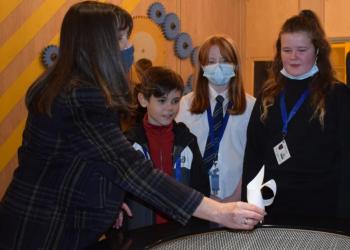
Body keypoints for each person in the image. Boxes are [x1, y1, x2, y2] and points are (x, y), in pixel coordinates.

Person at [0, 2, 264, 249]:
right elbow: (131, 169)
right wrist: (218, 211)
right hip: (45, 232)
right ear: (98, 46)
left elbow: (87, 162)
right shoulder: (82, 98)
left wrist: (109, 199)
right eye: (121, 39)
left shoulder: (67, 87)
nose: (129, 47)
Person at [241, 10, 350, 221]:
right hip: (274, 209)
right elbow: (253, 156)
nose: (293, 57)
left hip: (323, 210)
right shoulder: (267, 95)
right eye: (287, 49)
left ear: (317, 50)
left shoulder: (338, 95)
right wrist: (250, 207)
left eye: (302, 49)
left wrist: (345, 217)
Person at [124, 66, 210, 230]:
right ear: (143, 100)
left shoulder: (188, 142)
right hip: (140, 232)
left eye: (175, 101)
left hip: (181, 231)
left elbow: (201, 190)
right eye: (162, 101)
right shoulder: (128, 143)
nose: (170, 108)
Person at [176, 35, 256, 202]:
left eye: (225, 60)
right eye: (211, 61)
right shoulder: (185, 105)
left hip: (237, 197)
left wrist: (236, 197)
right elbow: (178, 156)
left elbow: (255, 157)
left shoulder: (251, 107)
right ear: (202, 66)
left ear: (235, 65)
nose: (218, 66)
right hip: (194, 198)